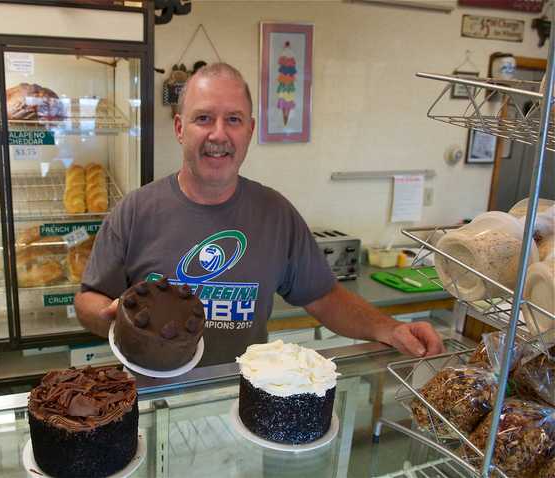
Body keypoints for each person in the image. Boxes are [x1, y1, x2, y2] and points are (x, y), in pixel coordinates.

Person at [75, 62, 444, 366]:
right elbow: (89, 299)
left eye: (233, 120)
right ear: (179, 129)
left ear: (250, 129)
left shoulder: (276, 214)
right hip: (152, 398)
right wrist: (109, 315)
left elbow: (325, 297)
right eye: (203, 118)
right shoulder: (136, 210)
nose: (218, 134)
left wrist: (389, 329)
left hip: (242, 400)